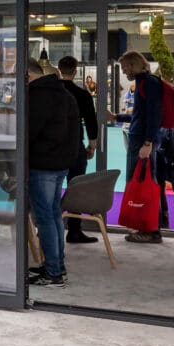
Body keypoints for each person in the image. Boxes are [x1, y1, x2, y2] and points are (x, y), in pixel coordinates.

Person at [109, 51, 174, 243]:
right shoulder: (145, 83)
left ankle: (151, 230)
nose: (124, 72)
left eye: (125, 68)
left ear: (134, 65)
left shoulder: (148, 83)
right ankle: (147, 227)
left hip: (143, 142)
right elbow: (142, 116)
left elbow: (153, 116)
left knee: (146, 184)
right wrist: (118, 117)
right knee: (143, 183)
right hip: (141, 140)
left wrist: (148, 142)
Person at [25, 57, 80, 287]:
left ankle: (53, 272)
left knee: (45, 217)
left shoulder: (37, 96)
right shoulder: (64, 94)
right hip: (60, 164)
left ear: (27, 76)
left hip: (43, 164)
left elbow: (30, 132)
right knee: (54, 215)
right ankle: (57, 266)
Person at [57, 56, 100, 244]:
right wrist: (92, 146)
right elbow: (91, 122)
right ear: (75, 71)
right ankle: (74, 231)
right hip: (75, 146)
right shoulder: (83, 95)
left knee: (52, 188)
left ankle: (47, 230)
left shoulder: (53, 93)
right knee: (75, 189)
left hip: (53, 148)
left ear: (59, 69)